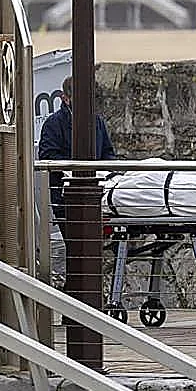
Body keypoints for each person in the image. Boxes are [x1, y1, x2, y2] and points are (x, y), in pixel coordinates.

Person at [38, 75, 117, 288]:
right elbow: (47, 156)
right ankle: (75, 298)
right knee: (78, 250)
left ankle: (74, 298)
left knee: (86, 251)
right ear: (65, 98)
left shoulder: (96, 121)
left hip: (96, 193)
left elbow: (108, 153)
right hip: (65, 198)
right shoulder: (54, 124)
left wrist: (108, 171)